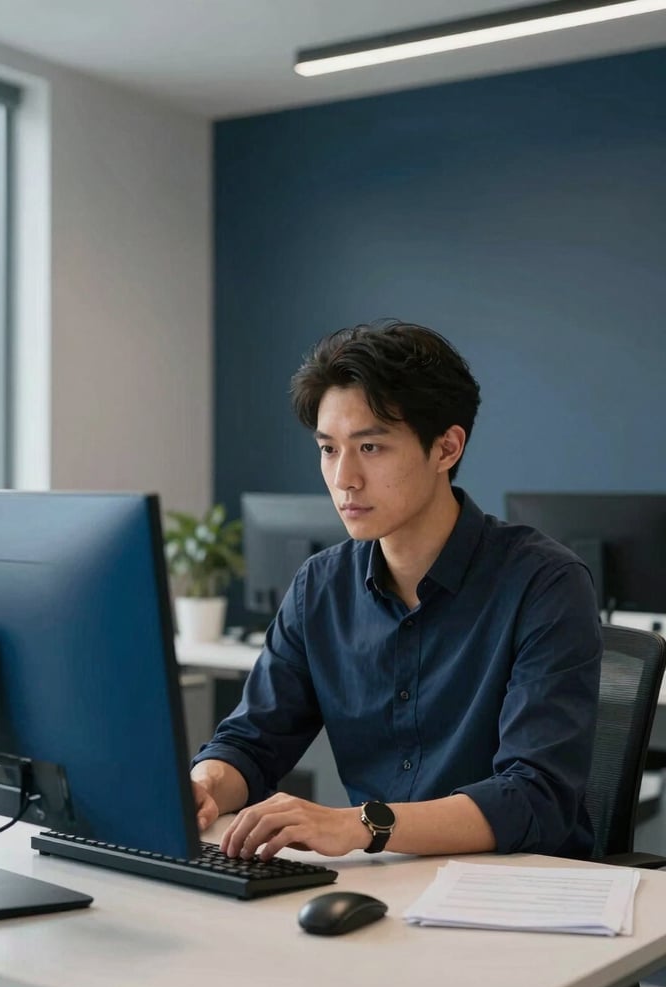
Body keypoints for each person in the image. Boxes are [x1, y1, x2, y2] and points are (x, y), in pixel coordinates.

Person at [190, 320, 601, 863]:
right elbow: (250, 743)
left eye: (372, 447)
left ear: (446, 448)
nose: (344, 478)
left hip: (524, 896)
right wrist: (204, 787)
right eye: (329, 449)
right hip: (388, 884)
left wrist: (362, 825)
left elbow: (535, 796)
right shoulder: (320, 586)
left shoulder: (544, 584)